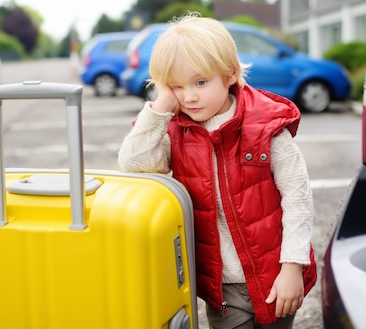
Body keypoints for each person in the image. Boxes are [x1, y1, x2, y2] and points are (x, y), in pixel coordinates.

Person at [118, 12, 317, 329]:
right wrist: (160, 108)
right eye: (176, 86)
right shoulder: (174, 131)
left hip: (275, 274)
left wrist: (292, 267)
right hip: (222, 288)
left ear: (230, 74)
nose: (189, 96)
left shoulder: (267, 127)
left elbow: (298, 198)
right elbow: (134, 162)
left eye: (199, 82)